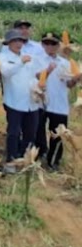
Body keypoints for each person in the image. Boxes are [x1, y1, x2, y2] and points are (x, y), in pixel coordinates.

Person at [0, 29, 43, 174]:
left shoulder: (28, 57)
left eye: (20, 41)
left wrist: (40, 84)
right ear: (9, 43)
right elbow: (6, 72)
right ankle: (11, 161)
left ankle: (25, 161)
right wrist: (20, 62)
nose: (18, 43)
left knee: (30, 133)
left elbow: (34, 76)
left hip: (32, 102)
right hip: (14, 102)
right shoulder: (3, 57)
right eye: (15, 41)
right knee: (13, 132)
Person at [36, 33, 81, 170]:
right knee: (38, 131)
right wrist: (47, 71)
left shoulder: (65, 63)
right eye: (47, 43)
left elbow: (69, 84)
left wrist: (75, 79)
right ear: (42, 45)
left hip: (59, 104)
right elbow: (35, 77)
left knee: (58, 134)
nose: (50, 46)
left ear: (58, 46)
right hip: (40, 102)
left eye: (53, 43)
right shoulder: (36, 60)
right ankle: (37, 157)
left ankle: (53, 161)